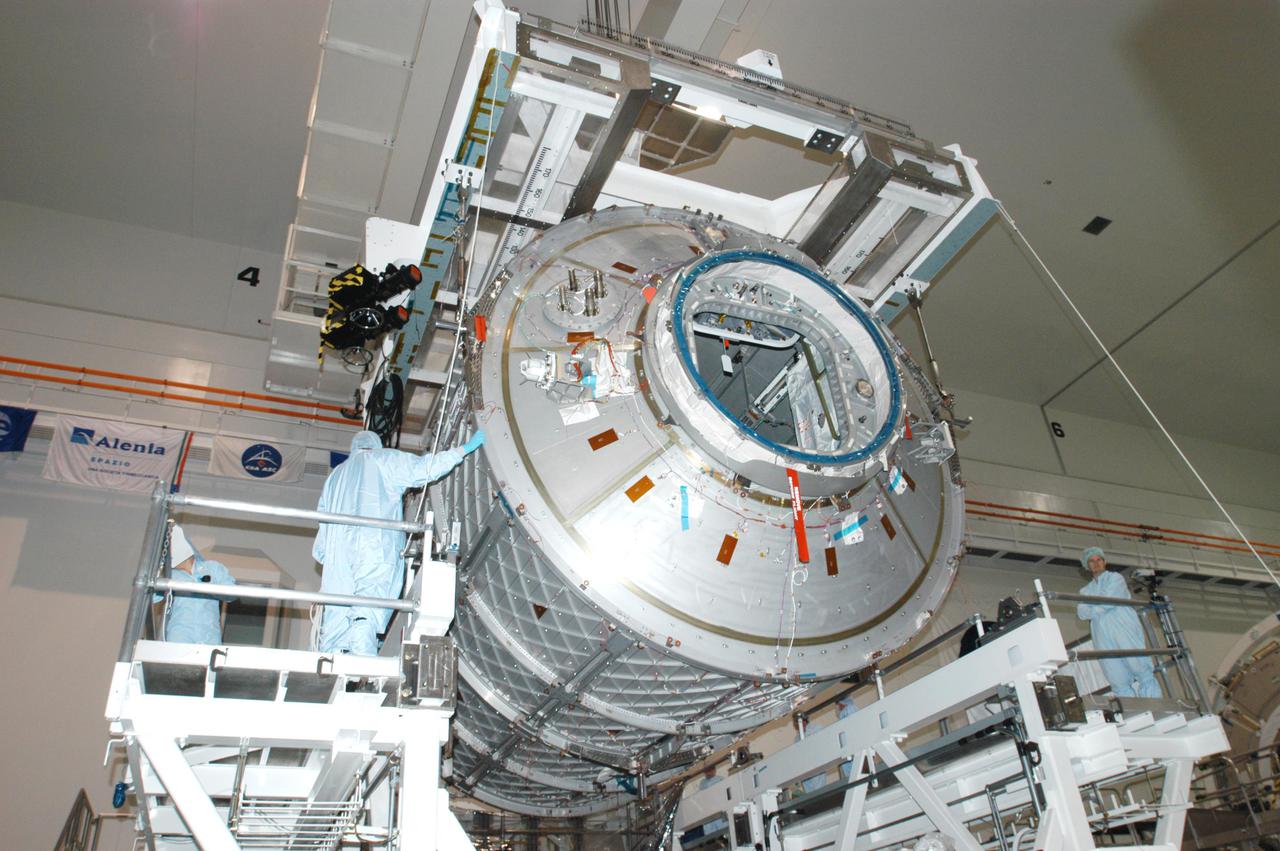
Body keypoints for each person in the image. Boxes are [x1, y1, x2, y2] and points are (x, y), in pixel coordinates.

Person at [313, 428, 484, 655]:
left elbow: (322, 527)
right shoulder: (382, 459)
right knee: (366, 613)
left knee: (336, 618)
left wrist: (327, 554)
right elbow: (423, 469)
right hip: (374, 546)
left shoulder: (335, 476)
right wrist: (463, 450)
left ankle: (328, 664)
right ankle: (363, 669)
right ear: (375, 445)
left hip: (338, 559)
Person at [1076, 546, 1161, 698]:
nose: (1096, 563)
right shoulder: (1085, 590)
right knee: (1116, 676)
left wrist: (1094, 608)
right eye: (1091, 561)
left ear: (1105, 561)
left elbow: (1108, 601)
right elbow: (1082, 613)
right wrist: (1100, 607)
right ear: (1087, 566)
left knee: (1139, 667)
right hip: (1101, 634)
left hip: (1123, 627)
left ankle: (1155, 707)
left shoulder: (1115, 578)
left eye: (1099, 559)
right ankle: (1134, 715)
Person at [162, 525, 236, 644]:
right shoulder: (171, 576)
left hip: (209, 634)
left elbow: (231, 594)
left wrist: (210, 589)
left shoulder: (212, 568)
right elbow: (153, 597)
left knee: (210, 661)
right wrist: (158, 576)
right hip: (180, 634)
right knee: (177, 661)